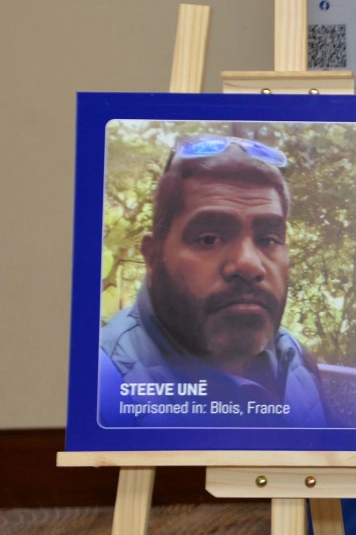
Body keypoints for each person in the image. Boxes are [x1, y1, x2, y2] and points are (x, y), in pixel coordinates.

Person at [99, 137, 330, 427]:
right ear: (153, 256)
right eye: (209, 239)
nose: (249, 264)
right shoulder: (102, 388)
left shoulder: (295, 358)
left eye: (269, 239)